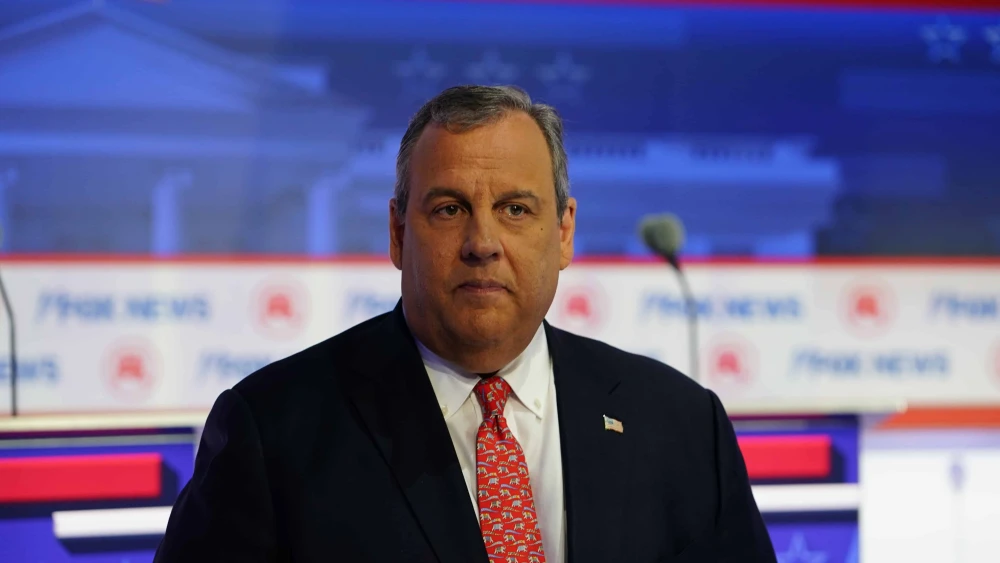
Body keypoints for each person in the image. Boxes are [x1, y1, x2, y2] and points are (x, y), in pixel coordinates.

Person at [154, 85, 776, 563]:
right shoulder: (274, 431)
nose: (483, 243)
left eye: (515, 209)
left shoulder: (682, 425)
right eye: (450, 209)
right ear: (398, 232)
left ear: (564, 233)